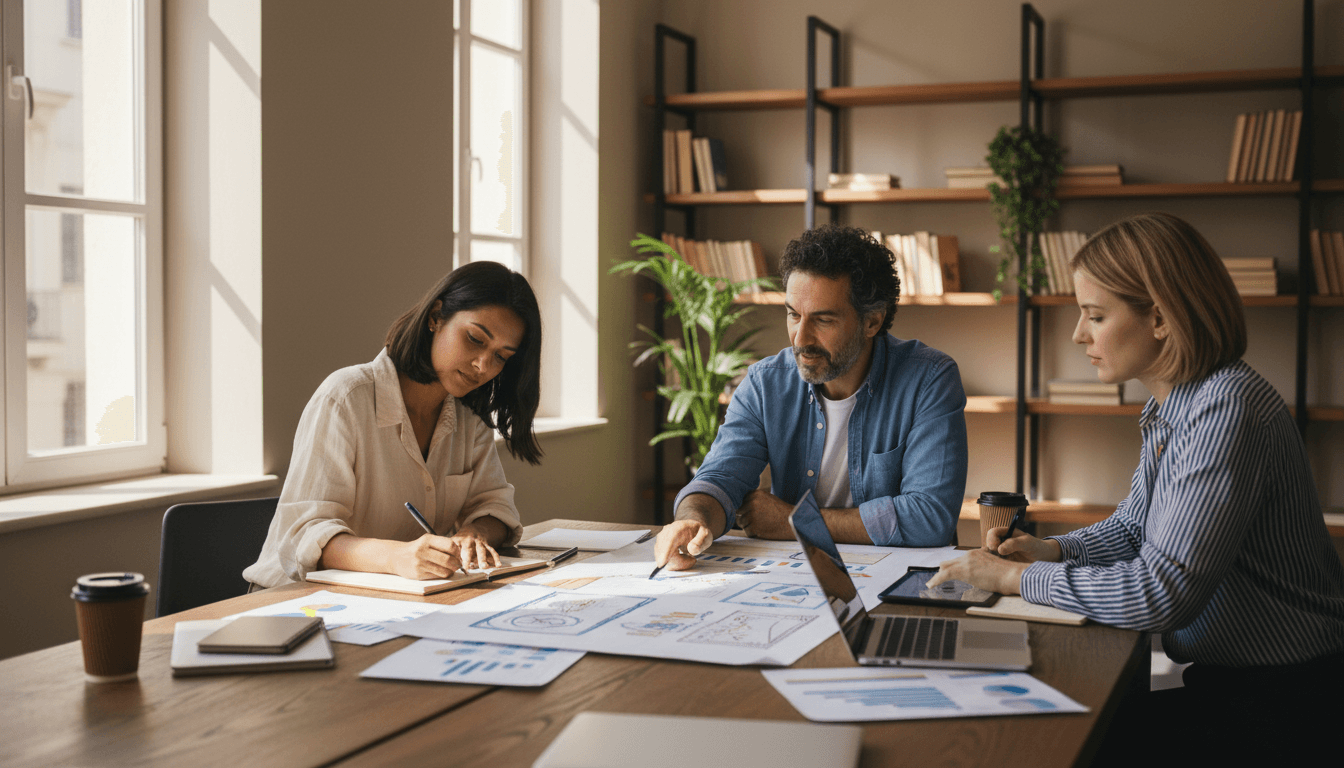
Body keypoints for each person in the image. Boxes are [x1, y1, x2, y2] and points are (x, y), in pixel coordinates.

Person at [927, 212, 1344, 764]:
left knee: (1044, 740)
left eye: (1096, 315)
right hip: (1245, 684)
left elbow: (1161, 592)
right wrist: (1054, 550)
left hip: (1285, 702)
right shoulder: (1175, 405)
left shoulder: (1226, 410)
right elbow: (1133, 527)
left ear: (1161, 319)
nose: (1079, 334)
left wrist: (1014, 576)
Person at [654, 223, 968, 571]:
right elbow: (719, 478)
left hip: (896, 580)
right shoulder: (765, 383)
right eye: (793, 315)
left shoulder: (929, 379)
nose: (800, 338)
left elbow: (930, 517)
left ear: (872, 322)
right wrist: (692, 519)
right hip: (797, 577)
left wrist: (795, 521)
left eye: (823, 320)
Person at [244, 261, 543, 588]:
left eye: (502, 356)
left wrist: (474, 534)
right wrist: (397, 557)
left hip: (389, 599)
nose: (483, 365)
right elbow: (303, 534)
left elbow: (494, 506)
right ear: (435, 317)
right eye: (474, 338)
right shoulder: (345, 398)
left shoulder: (468, 415)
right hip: (292, 602)